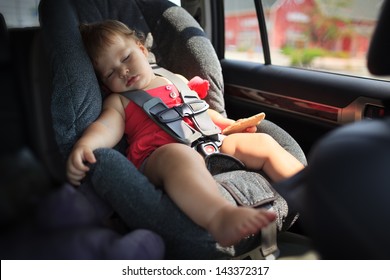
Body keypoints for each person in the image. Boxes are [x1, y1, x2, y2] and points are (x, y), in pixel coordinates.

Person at [66, 20, 304, 247]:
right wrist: (85, 144)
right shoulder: (120, 101)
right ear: (105, 84)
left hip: (210, 145)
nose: (123, 71)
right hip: (161, 158)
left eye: (126, 57)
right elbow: (105, 127)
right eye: (110, 73)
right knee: (179, 155)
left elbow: (201, 111)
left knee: (262, 142)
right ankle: (219, 216)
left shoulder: (175, 79)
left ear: (141, 49)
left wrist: (229, 125)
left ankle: (309, 189)